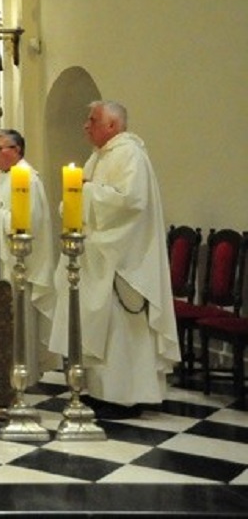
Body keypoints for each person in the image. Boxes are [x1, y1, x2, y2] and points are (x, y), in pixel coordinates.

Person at [48, 101, 179, 418]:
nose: (85, 125)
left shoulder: (129, 154)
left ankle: (126, 397)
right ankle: (102, 392)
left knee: (121, 331)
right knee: (102, 329)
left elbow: (130, 202)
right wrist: (78, 195)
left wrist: (86, 191)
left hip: (124, 261)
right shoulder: (99, 156)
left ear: (113, 125)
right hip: (99, 256)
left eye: (92, 120)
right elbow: (81, 199)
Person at [0, 129, 59, 382]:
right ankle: (7, 371)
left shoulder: (27, 179)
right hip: (6, 259)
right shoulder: (6, 177)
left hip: (21, 262)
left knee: (20, 316)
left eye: (0, 149)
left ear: (17, 149)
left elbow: (26, 222)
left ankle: (23, 373)